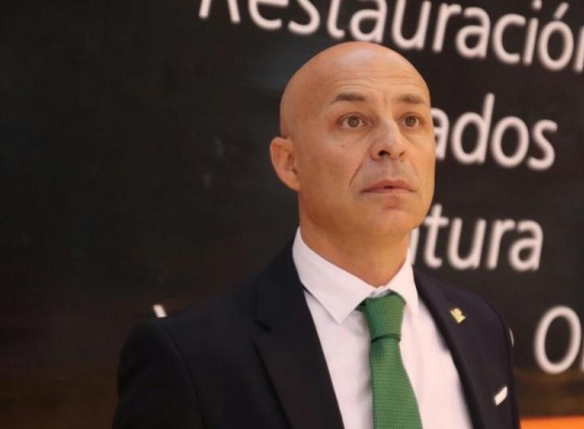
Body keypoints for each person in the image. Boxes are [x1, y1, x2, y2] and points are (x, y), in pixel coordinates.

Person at [113, 41, 520, 429]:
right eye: (353, 120)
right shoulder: (191, 358)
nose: (392, 145)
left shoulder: (483, 329)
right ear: (289, 163)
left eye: (411, 120)